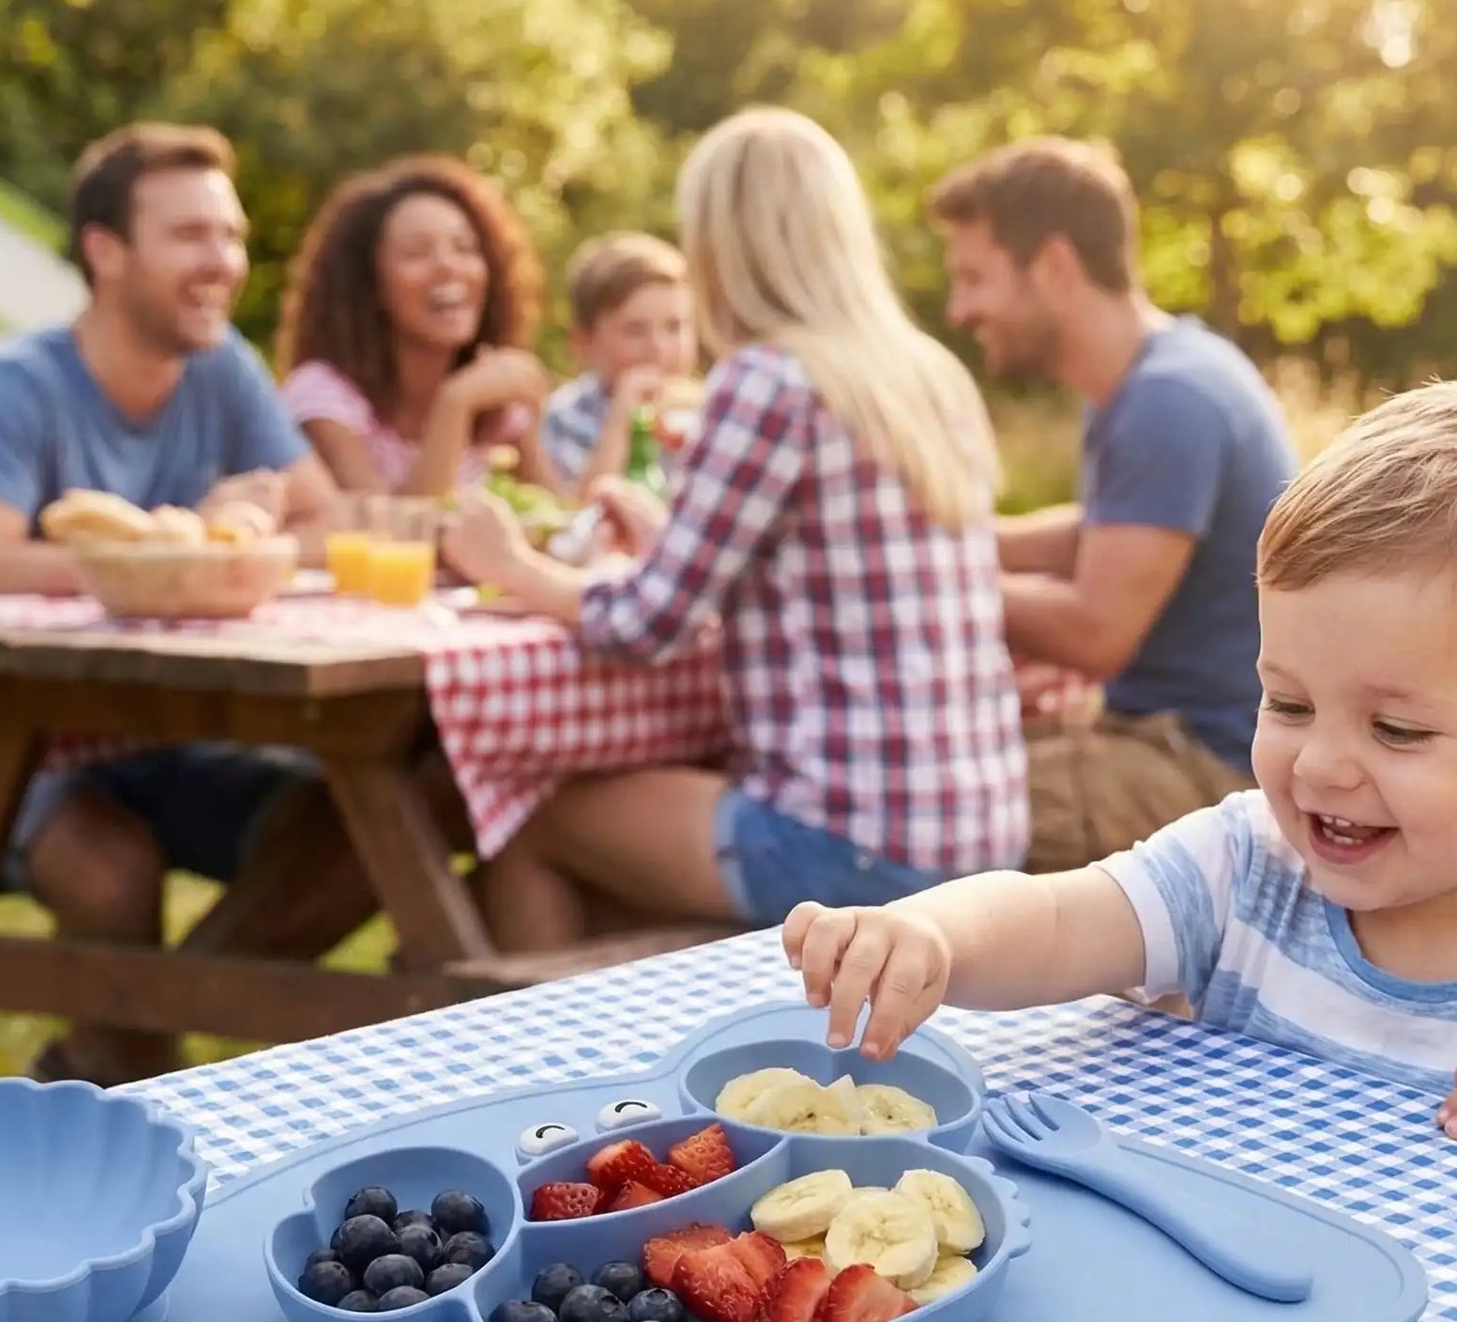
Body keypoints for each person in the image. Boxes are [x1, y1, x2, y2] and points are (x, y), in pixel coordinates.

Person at [784, 376, 1457, 1147]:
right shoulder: (1246, 866)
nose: (1319, 766)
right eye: (1288, 705)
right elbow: (1059, 919)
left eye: (1395, 729)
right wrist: (931, 934)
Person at [438, 107, 1027, 951]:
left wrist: (513, 567)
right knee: (613, 859)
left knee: (524, 817)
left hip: (849, 845)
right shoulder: (925, 373)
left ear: (721, 245)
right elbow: (805, 572)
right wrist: (663, 536)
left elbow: (649, 624)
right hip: (978, 832)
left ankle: (556, 1074)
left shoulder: (769, 380)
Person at [0, 120, 338, 1088]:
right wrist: (179, 535)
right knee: (109, 874)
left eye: (229, 236)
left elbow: (322, 521)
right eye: (191, 236)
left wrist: (227, 543)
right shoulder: (14, 385)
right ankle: (152, 1093)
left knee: (348, 826)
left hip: (181, 738)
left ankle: (117, 1058)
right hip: (23, 747)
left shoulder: (222, 366)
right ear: (103, 251)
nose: (223, 263)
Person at [930, 137, 1300, 871]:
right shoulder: (1148, 379)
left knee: (911, 805)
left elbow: (1097, 631)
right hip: (1157, 737)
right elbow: (1105, 531)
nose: (959, 309)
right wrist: (957, 535)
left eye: (975, 278)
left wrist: (936, 574)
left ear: (1056, 266)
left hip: (1206, 767)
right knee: (924, 753)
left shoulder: (1169, 400)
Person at [277, 156, 555, 495]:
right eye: (416, 253)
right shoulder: (324, 397)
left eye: (464, 248)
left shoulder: (495, 399)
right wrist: (454, 405)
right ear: (370, 283)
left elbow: (562, 526)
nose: (448, 266)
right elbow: (395, 537)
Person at [540, 231, 698, 500]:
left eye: (674, 327)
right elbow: (578, 517)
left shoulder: (704, 412)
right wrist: (621, 423)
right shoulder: (564, 417)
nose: (659, 348)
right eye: (635, 331)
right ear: (584, 345)